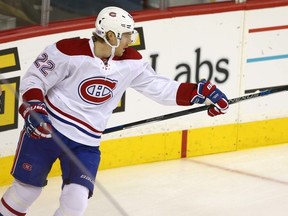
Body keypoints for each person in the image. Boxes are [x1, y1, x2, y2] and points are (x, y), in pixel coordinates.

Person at [0, 6, 229, 216]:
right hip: (47, 133)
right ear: (110, 36)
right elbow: (34, 80)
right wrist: (34, 110)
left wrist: (199, 92)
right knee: (26, 191)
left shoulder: (132, 62)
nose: (131, 40)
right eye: (127, 34)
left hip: (85, 144)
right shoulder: (67, 51)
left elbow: (161, 88)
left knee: (76, 202)